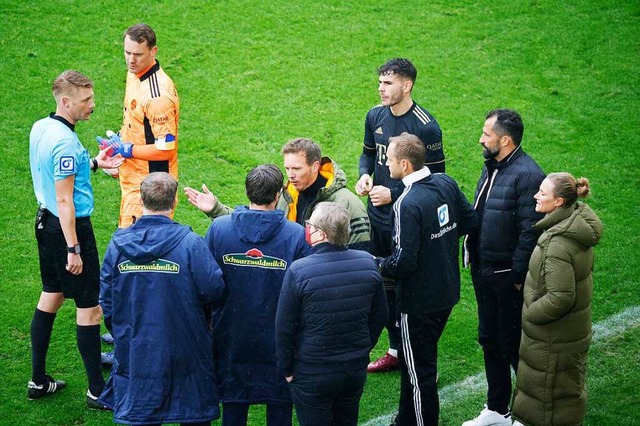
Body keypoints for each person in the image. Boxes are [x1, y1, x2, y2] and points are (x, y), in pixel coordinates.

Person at [27, 70, 123, 408]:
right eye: (86, 100)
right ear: (66, 101)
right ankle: (98, 390)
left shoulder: (43, 127)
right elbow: (66, 198)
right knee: (90, 307)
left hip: (44, 222)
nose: (92, 105)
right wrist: (74, 248)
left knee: (51, 295)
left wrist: (95, 163)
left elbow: (60, 171)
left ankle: (38, 380)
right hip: (69, 229)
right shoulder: (66, 141)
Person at [97, 172, 225, 425]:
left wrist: (122, 331)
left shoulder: (117, 246)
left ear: (141, 200)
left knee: (143, 412)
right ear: (175, 201)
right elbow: (213, 289)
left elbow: (107, 298)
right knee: (191, 411)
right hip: (186, 344)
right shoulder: (190, 244)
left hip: (138, 346)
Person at [377, 134, 476, 425]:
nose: (385, 163)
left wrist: (376, 264)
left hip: (417, 303)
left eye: (390, 159)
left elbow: (403, 262)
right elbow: (469, 221)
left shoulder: (405, 203)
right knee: (412, 364)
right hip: (446, 292)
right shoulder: (446, 182)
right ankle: (404, 420)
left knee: (420, 372)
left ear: (404, 165)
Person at [204, 165, 312, 426]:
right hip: (280, 339)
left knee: (233, 403)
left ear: (247, 191)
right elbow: (306, 291)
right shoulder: (296, 235)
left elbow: (207, 283)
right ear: (278, 195)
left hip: (230, 334)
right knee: (279, 405)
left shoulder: (219, 229)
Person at [355, 58, 444, 373]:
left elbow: (435, 182)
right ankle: (394, 349)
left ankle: (406, 347)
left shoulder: (425, 126)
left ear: (407, 86)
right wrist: (365, 175)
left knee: (402, 282)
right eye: (379, 82)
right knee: (382, 283)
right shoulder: (375, 115)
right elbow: (367, 154)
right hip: (376, 216)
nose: (381, 89)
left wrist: (394, 194)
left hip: (405, 220)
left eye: (388, 83)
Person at [462, 109, 545, 426]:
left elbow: (531, 230)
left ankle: (530, 414)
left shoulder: (527, 175)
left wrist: (516, 276)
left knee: (513, 346)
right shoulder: (493, 166)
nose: (481, 139)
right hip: (484, 272)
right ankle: (497, 409)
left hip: (506, 278)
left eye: (487, 134)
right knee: (489, 339)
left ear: (505, 140)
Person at [275, 202, 388, 426]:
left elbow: (284, 327)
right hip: (352, 371)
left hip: (312, 373)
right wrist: (363, 348)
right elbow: (379, 316)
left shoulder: (299, 271)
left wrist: (286, 369)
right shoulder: (367, 263)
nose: (306, 227)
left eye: (310, 224)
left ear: (320, 233)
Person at [511, 173, 602, 426]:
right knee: (563, 397)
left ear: (559, 202)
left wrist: (530, 312)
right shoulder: (575, 224)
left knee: (548, 407)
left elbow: (561, 297)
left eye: (543, 193)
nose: (536, 196)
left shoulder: (556, 244)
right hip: (567, 336)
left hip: (552, 340)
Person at [185, 137, 371, 250]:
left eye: (297, 168)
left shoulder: (348, 203)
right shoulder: (285, 195)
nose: (290, 175)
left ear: (315, 166)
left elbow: (361, 255)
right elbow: (257, 222)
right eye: (287, 168)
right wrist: (216, 209)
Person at [101, 23, 180, 228]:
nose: (131, 60)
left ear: (153, 51)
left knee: (137, 253)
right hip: (133, 178)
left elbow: (166, 150)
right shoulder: (134, 74)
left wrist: (127, 150)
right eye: (127, 52)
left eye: (137, 54)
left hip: (152, 189)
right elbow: (137, 123)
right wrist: (117, 145)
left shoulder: (157, 97)